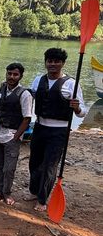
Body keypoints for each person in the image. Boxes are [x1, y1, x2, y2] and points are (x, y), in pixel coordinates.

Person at [28, 48, 85, 212]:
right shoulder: (38, 80)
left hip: (59, 131)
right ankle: (33, 191)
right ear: (45, 62)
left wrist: (77, 108)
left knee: (50, 166)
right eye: (50, 61)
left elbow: (83, 112)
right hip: (39, 126)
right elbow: (31, 98)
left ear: (62, 63)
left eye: (56, 61)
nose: (52, 64)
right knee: (35, 162)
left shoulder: (71, 84)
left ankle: (42, 199)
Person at [0, 63, 33, 206]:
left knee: (9, 168)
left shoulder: (24, 94)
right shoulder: (0, 90)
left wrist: (17, 136)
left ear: (20, 76)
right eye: (9, 74)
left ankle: (7, 192)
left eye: (15, 74)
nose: (11, 77)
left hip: (12, 135)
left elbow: (27, 118)